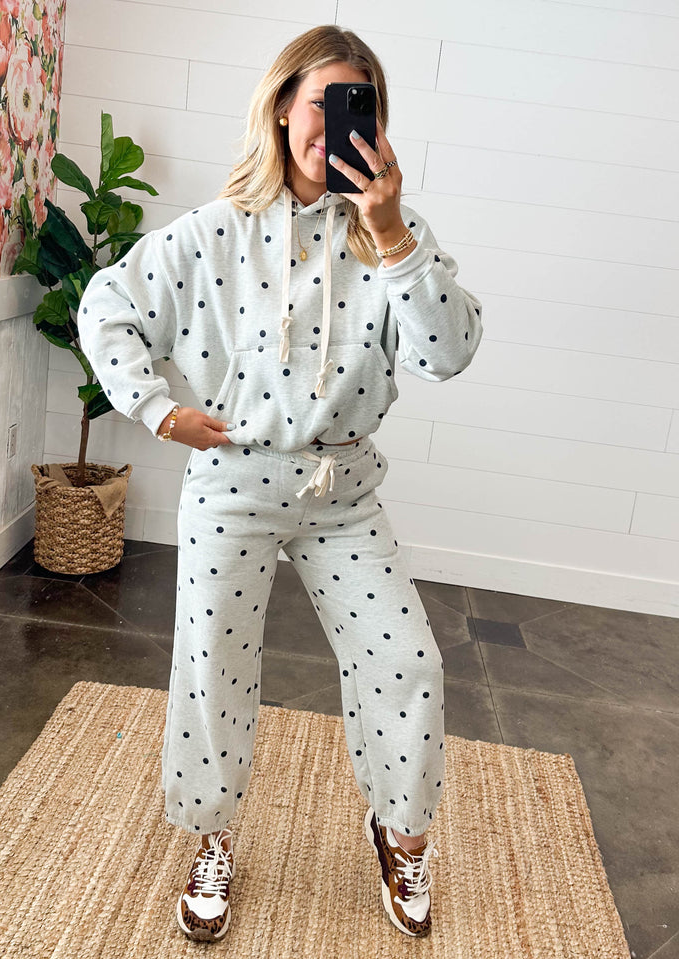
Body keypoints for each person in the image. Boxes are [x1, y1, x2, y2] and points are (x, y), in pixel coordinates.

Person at [78, 24, 482, 943]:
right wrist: (156, 409)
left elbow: (449, 352)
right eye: (320, 105)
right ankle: (212, 837)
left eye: (356, 108)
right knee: (212, 666)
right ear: (282, 109)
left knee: (406, 660)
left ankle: (402, 833)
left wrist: (390, 232)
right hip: (233, 486)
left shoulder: (396, 236)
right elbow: (109, 304)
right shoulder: (216, 231)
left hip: (344, 491)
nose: (334, 128)